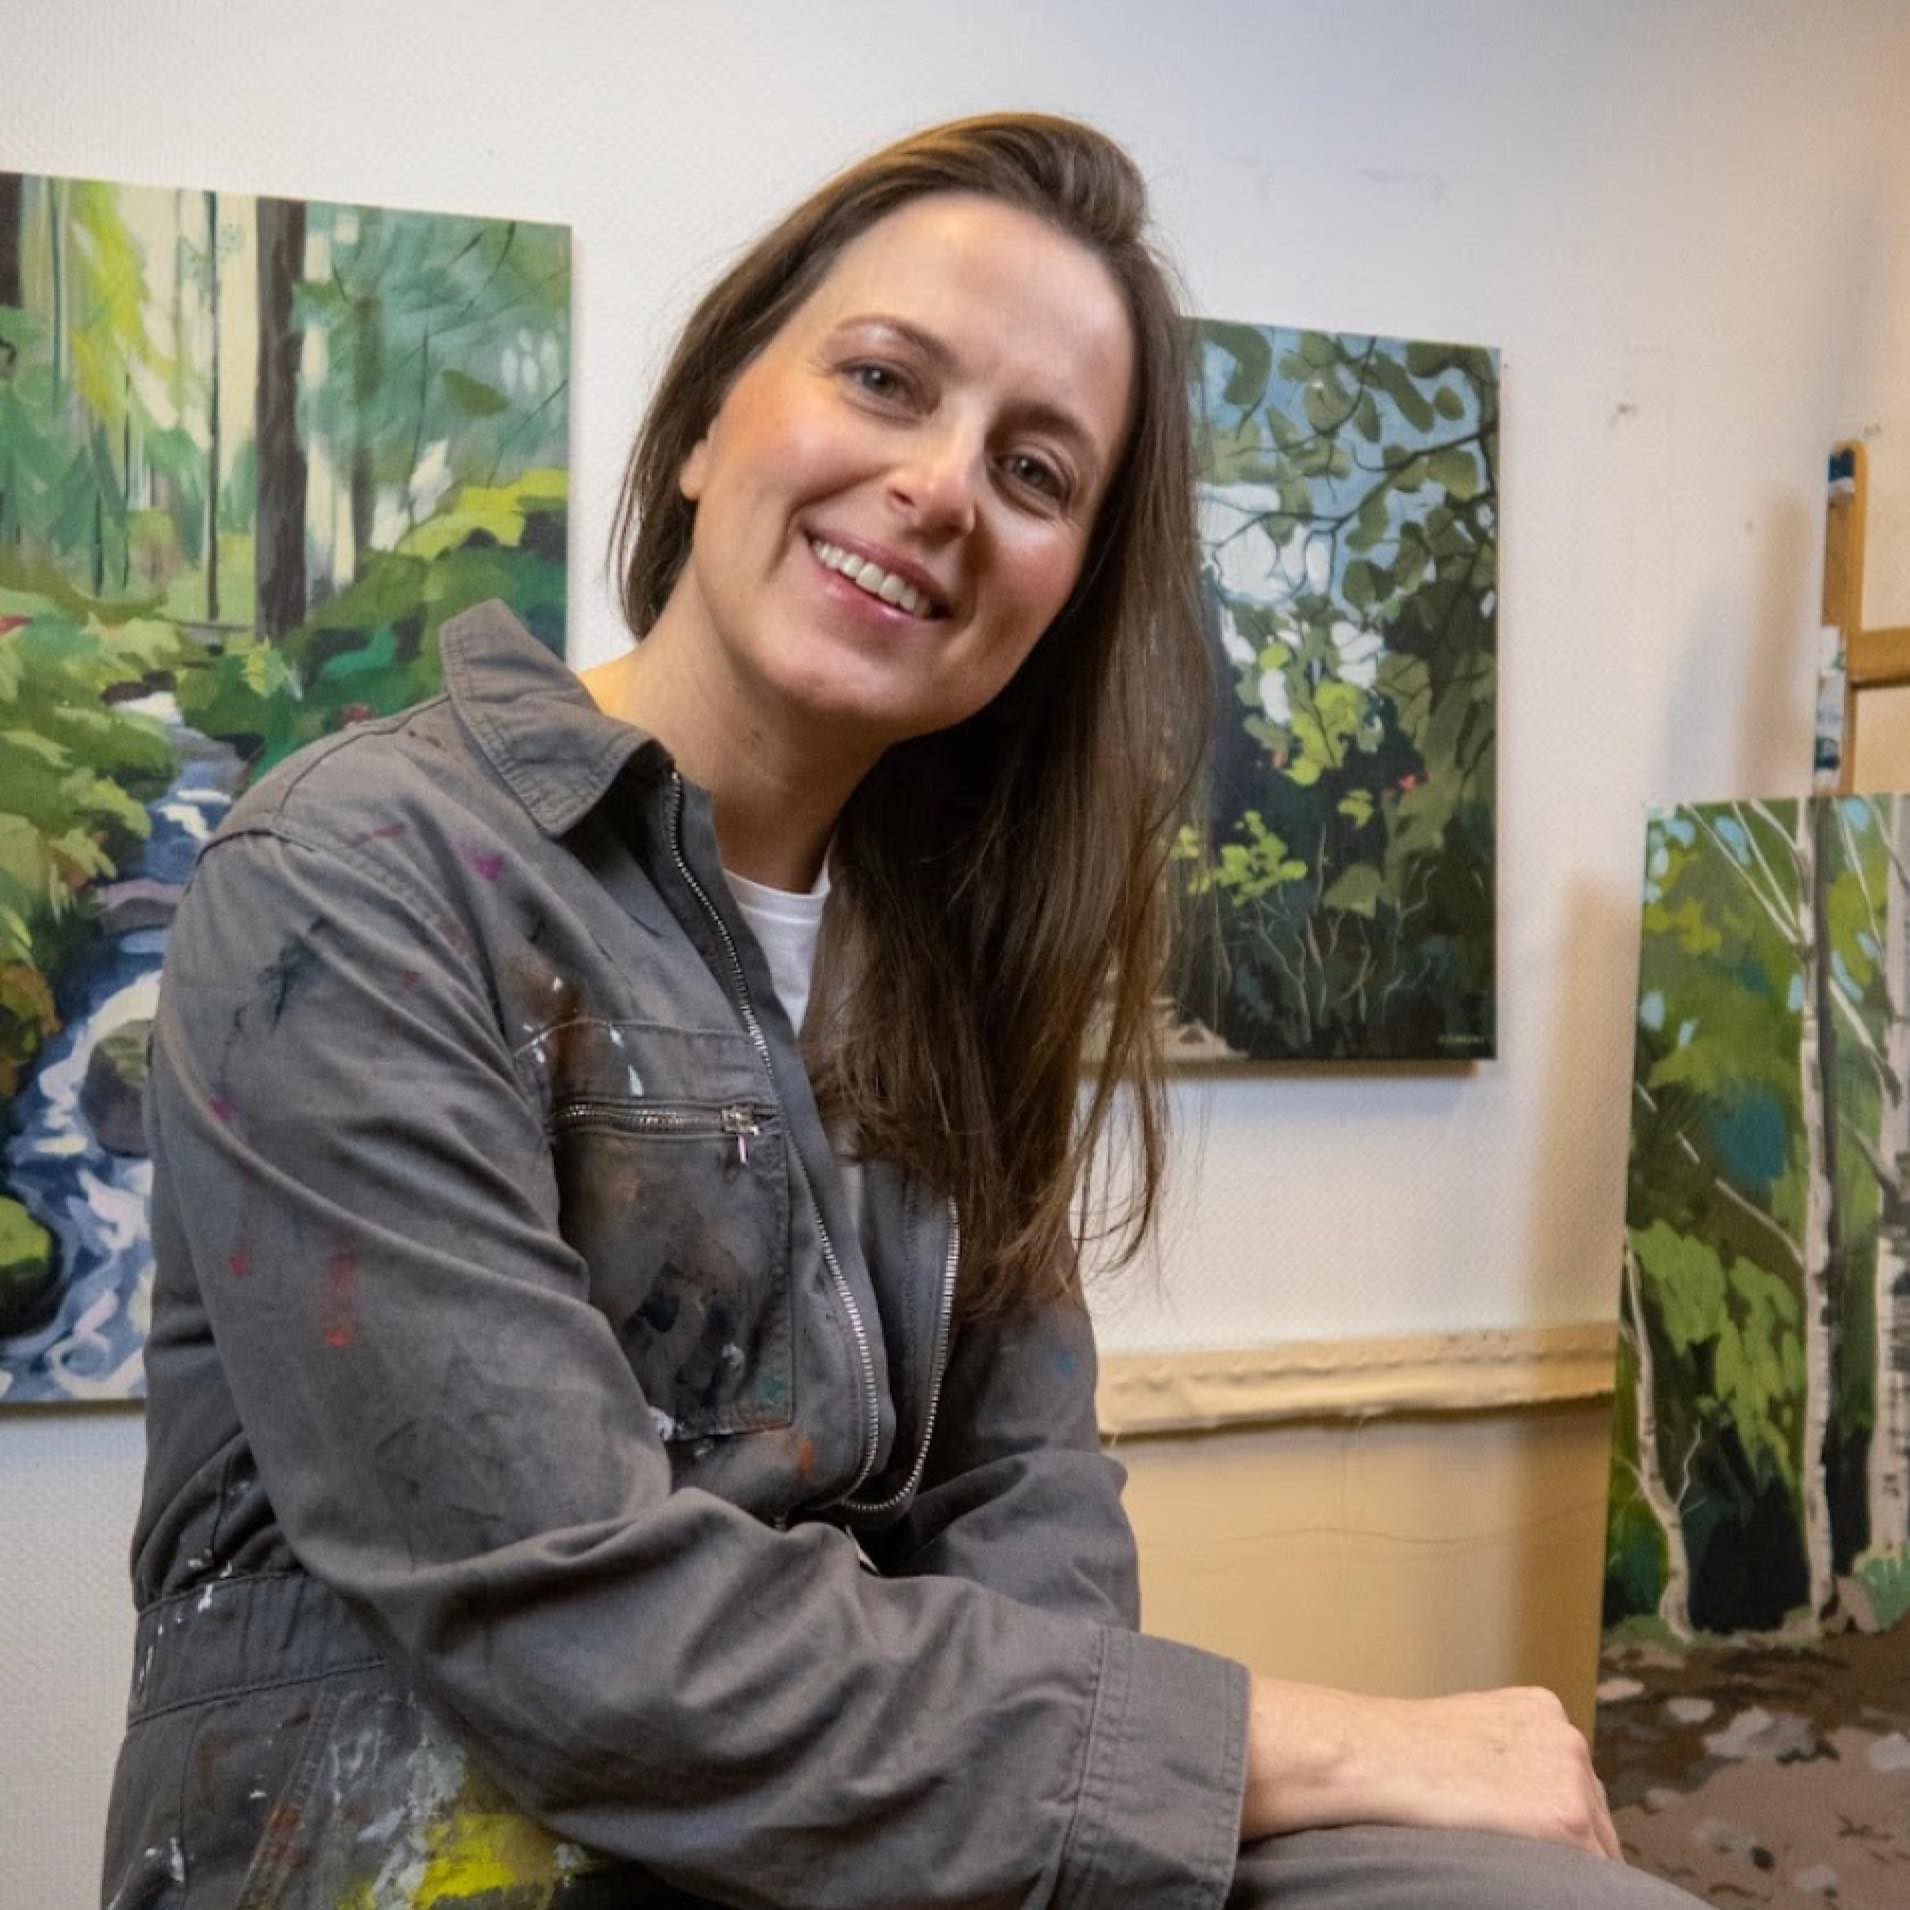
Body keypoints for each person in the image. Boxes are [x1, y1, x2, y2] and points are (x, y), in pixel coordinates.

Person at [103, 114, 1697, 1908]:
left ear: (1060, 597)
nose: (941, 488)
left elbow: (1035, 1528)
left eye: (1035, 472)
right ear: (706, 422)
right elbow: (578, 1628)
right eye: (882, 380)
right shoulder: (354, 867)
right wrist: (1318, 1739)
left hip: (882, 1849)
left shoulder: (950, 972)